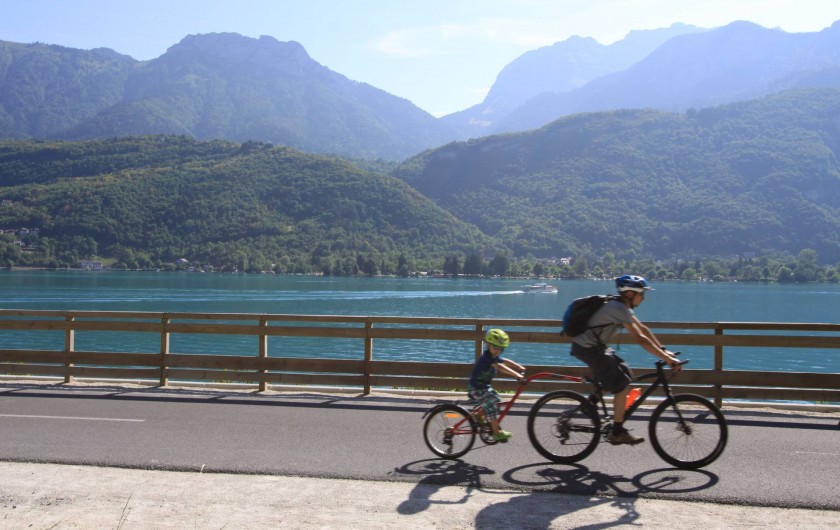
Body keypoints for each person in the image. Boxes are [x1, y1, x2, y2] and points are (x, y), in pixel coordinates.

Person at [570, 275, 681, 445]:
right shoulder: (619, 308)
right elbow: (640, 338)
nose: (643, 297)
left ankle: (591, 403)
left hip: (596, 347)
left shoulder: (622, 307)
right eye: (641, 294)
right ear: (630, 293)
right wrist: (666, 358)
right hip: (587, 349)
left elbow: (643, 329)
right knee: (621, 384)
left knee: (625, 372)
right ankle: (617, 431)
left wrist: (664, 350)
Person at [468, 328, 526, 442]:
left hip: (484, 388)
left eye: (501, 349)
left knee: (496, 400)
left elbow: (504, 361)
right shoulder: (487, 358)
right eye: (495, 347)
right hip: (476, 389)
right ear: (487, 345)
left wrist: (518, 366)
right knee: (491, 406)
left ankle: (478, 416)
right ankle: (496, 433)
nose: (498, 351)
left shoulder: (493, 356)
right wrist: (517, 375)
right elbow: (500, 367)